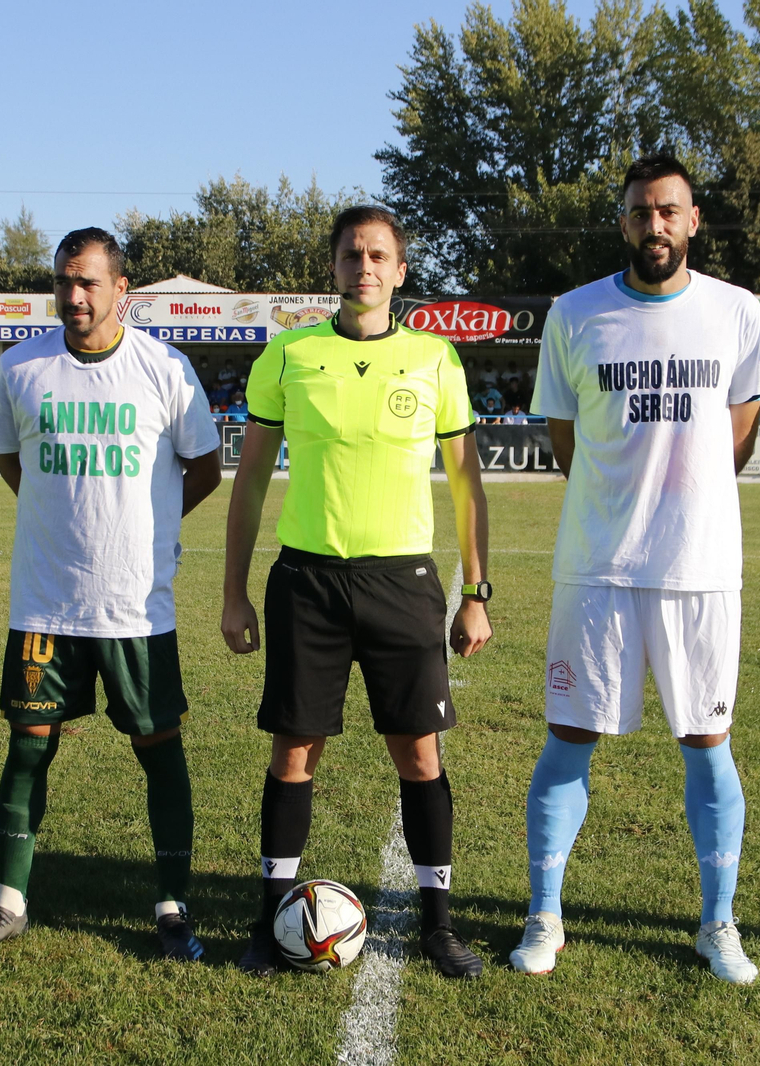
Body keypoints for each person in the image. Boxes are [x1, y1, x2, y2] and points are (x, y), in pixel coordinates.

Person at [512, 153, 760, 984]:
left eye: (669, 211)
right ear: (623, 222)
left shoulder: (736, 312)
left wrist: (684, 503)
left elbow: (739, 433)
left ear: (693, 220)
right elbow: (567, 442)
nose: (654, 225)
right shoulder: (574, 312)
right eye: (639, 212)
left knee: (707, 744)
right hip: (596, 563)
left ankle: (717, 923)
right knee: (568, 740)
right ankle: (544, 916)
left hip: (699, 568)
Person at [222, 205, 492, 979]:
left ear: (400, 271)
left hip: (402, 581)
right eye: (351, 255)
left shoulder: (437, 360)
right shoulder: (288, 356)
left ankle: (439, 926)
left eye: (378, 255)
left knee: (418, 754)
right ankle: (267, 922)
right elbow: (247, 483)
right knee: (294, 752)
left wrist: (476, 590)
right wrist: (234, 592)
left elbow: (468, 484)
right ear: (333, 267)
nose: (364, 267)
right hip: (306, 579)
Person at [0, 228, 222, 960]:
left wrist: (149, 530)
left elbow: (204, 468)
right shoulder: (21, 366)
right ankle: (8, 903)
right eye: (65, 281)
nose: (74, 296)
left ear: (121, 289)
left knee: (158, 748)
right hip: (44, 601)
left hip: (136, 605)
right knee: (28, 747)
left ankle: (172, 906)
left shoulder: (164, 367)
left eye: (90, 283)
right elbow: (12, 462)